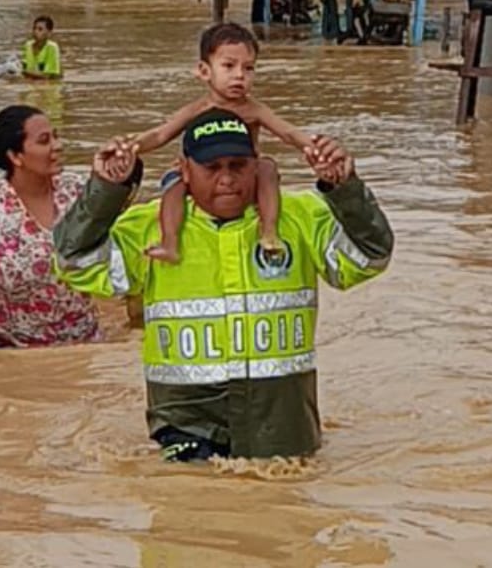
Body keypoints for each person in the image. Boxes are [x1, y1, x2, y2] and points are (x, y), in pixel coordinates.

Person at [53, 109, 393, 460]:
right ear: (184, 170)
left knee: (287, 508)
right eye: (212, 168)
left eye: (237, 165)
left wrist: (345, 189)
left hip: (282, 425)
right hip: (185, 421)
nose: (227, 179)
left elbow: (369, 258)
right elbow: (74, 263)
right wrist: (105, 190)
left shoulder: (302, 216)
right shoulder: (150, 227)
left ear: (257, 165)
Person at [131, 23, 319, 264]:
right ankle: (170, 242)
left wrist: (315, 146)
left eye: (249, 68)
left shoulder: (254, 109)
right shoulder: (197, 109)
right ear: (204, 70)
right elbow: (160, 135)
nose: (240, 75)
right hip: (202, 179)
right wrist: (131, 145)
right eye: (229, 66)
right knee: (174, 180)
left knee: (267, 167)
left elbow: (289, 133)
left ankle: (269, 231)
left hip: (244, 178)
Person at [0, 105, 113, 348]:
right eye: (44, 141)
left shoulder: (78, 192)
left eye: (56, 136)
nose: (57, 146)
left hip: (83, 343)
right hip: (8, 347)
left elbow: (123, 232)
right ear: (15, 156)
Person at [21, 16, 62, 80]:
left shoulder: (52, 48)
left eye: (40, 29)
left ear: (49, 33)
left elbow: (48, 76)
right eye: (34, 28)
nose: (35, 31)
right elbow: (24, 65)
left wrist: (23, 72)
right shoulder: (28, 45)